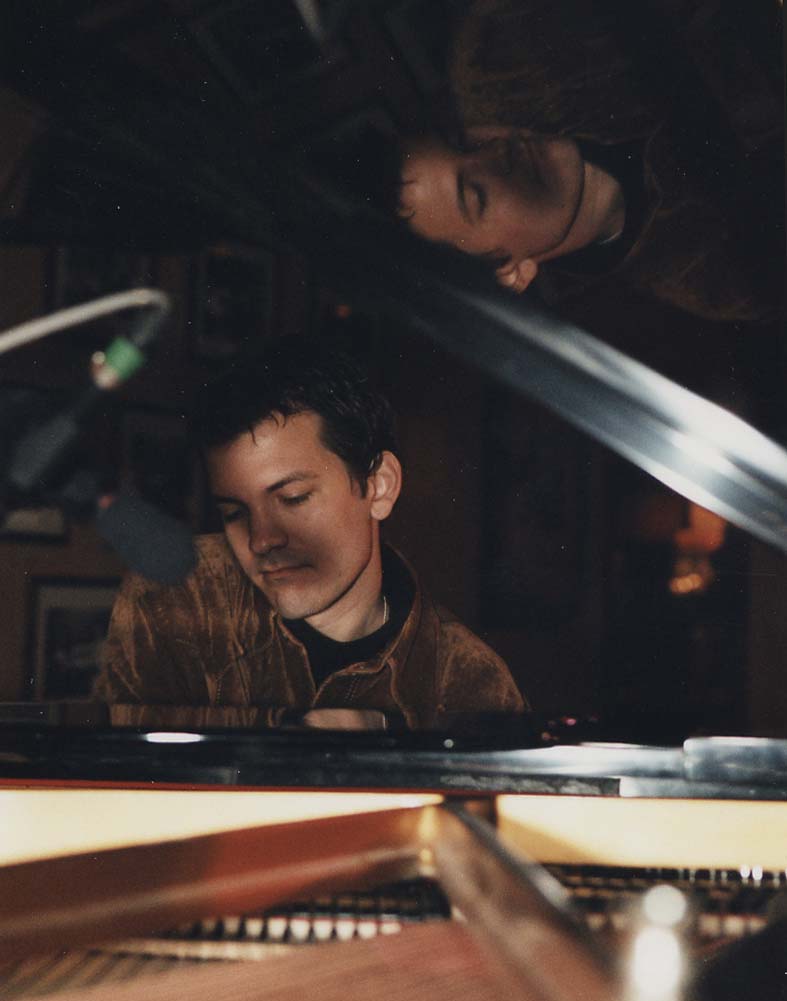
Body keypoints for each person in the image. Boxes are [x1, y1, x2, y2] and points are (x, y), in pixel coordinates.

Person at [95, 336, 526, 730]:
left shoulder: (470, 682)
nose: (262, 539)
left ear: (379, 486)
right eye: (234, 513)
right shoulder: (174, 600)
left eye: (295, 498)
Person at [398, 0, 783, 326]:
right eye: (476, 194)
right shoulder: (716, 272)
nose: (496, 151)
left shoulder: (500, 40)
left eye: (460, 140)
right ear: (509, 274)